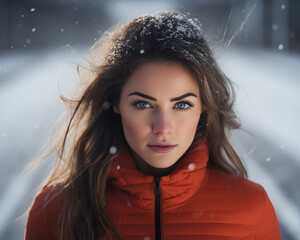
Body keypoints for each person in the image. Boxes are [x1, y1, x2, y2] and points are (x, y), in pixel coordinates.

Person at [25, 11, 280, 240]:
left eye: (181, 105)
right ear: (115, 102)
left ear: (204, 106)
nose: (162, 127)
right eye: (143, 104)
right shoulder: (56, 209)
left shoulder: (251, 206)